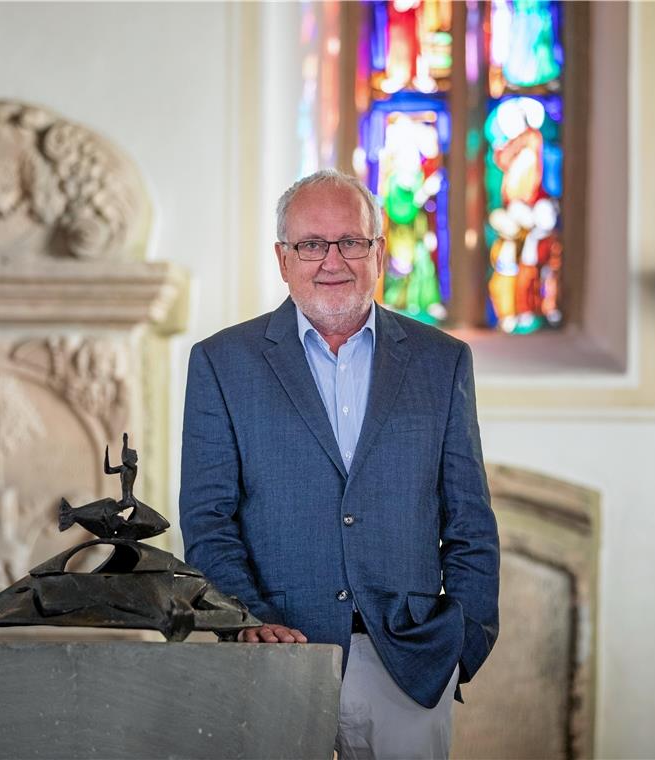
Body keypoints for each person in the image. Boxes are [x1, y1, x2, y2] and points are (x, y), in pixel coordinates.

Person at [180, 169, 499, 759]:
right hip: (274, 653)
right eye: (311, 244)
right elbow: (207, 520)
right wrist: (248, 617)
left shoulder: (441, 361)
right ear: (283, 258)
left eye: (351, 242)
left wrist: (464, 639)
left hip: (409, 660)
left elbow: (469, 517)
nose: (332, 260)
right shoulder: (222, 363)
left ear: (378, 252)